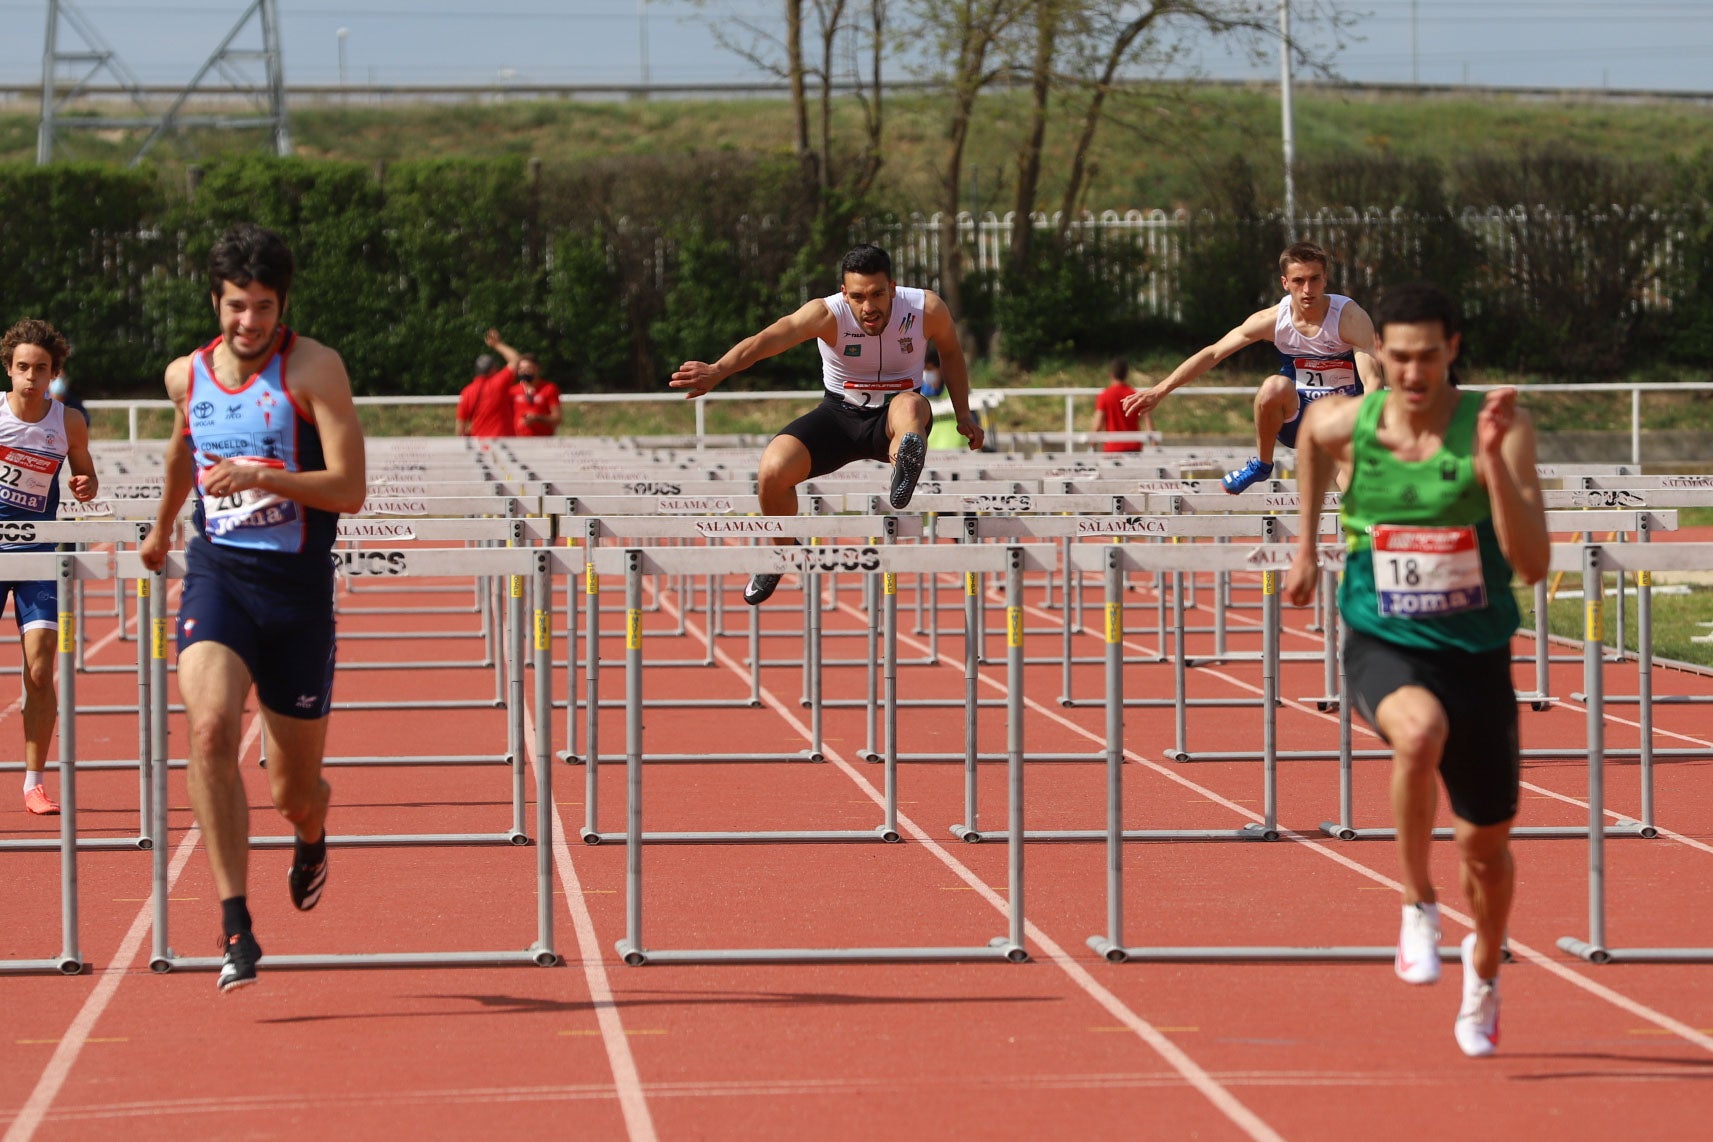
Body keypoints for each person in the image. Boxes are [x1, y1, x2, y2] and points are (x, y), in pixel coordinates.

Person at [1282, 282, 1549, 1058]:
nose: (1410, 371)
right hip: (1380, 635)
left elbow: (1531, 565)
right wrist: (1306, 546)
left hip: (1476, 652)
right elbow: (1304, 441)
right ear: (1380, 356)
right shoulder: (1347, 422)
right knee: (1416, 732)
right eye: (1396, 356)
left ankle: (1486, 970)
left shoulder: (1500, 429)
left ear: (1451, 351)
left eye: (1426, 355)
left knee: (1486, 853)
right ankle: (1415, 903)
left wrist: (1491, 467)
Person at [139, 223, 367, 994]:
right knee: (206, 727)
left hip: (297, 594)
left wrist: (263, 477)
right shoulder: (186, 375)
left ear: (282, 305)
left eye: (263, 308)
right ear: (216, 301)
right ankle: (235, 924)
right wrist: (162, 526)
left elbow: (349, 488)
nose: (249, 323)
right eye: (237, 307)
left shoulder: (314, 369)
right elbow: (180, 450)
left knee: (291, 793)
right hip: (219, 578)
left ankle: (312, 831)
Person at [669, 243, 983, 604]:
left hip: (896, 410)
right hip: (839, 415)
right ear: (843, 293)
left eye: (879, 295)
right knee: (772, 470)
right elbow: (766, 341)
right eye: (859, 297)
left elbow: (951, 353)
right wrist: (718, 369)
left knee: (910, 407)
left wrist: (963, 415)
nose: (870, 308)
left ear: (893, 287)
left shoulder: (925, 308)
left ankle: (904, 468)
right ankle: (781, 550)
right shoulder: (825, 314)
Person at [1122, 241, 1381, 493]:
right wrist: (1160, 390)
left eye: (1314, 279)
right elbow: (1213, 353)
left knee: (1354, 481)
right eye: (1298, 281)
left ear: (1325, 279)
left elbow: (1373, 382)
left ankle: (1364, 524)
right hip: (1297, 415)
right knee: (1273, 386)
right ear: (1285, 283)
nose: (1307, 289)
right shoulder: (1271, 320)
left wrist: (1366, 436)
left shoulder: (1349, 318)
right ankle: (1262, 464)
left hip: (1344, 414)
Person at [0, 320, 99, 814]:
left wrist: (84, 486)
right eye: (22, 368)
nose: (31, 378)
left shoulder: (68, 422)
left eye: (41, 369)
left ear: (54, 373)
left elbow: (88, 478)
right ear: (9, 369)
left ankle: (33, 783)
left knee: (40, 669)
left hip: (39, 552)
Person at [457, 330, 521, 438]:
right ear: (493, 369)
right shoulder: (499, 382)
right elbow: (516, 359)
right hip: (504, 440)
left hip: (480, 444)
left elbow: (460, 428)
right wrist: (497, 344)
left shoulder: (466, 391)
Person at [1091, 358, 1154, 452]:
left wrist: (1092, 443)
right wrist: (1154, 444)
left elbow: (1098, 424)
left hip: (1113, 448)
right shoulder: (1135, 395)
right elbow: (1148, 421)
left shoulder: (1104, 396)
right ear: (1126, 375)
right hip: (1134, 447)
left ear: (1110, 375)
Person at [510, 354, 562, 436]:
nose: (523, 371)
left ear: (537, 369)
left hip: (543, 440)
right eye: (520, 369)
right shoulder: (513, 391)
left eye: (528, 368)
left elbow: (558, 419)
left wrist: (538, 418)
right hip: (518, 440)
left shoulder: (549, 388)